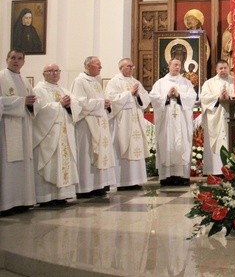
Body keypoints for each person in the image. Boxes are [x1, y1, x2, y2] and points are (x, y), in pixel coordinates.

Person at [32, 63, 80, 205]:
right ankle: (47, 197)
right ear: (44, 73)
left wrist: (70, 105)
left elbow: (77, 106)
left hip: (64, 133)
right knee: (50, 163)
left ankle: (61, 195)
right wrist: (58, 104)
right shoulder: (38, 90)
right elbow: (38, 112)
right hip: (49, 134)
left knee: (64, 162)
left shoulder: (63, 89)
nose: (54, 73)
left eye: (57, 71)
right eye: (50, 71)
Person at [71, 56, 116, 198]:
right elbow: (79, 102)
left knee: (100, 152)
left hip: (99, 123)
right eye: (98, 65)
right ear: (88, 65)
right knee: (87, 154)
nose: (100, 68)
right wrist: (100, 103)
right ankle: (85, 187)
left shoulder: (96, 82)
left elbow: (99, 101)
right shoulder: (80, 81)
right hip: (86, 125)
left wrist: (106, 104)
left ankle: (98, 185)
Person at [149, 58, 197, 186]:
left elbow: (192, 97)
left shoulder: (186, 83)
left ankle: (182, 176)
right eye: (175, 65)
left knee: (182, 144)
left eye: (179, 65)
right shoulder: (160, 83)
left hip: (181, 120)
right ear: (169, 65)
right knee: (167, 144)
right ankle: (166, 176)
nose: (177, 67)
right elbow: (153, 98)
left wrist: (180, 95)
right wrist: (167, 96)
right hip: (167, 121)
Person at [0, 49, 37, 216]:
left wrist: (30, 105)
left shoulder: (24, 80)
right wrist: (21, 102)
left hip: (23, 127)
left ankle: (22, 201)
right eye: (13, 58)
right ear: (6, 59)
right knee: (7, 165)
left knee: (23, 165)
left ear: (24, 62)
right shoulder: (1, 77)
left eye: (19, 58)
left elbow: (33, 102)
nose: (16, 61)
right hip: (7, 129)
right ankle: (7, 203)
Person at [106, 58, 151, 190]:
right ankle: (122, 182)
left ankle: (135, 180)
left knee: (136, 148)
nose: (131, 69)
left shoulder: (135, 82)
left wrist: (137, 96)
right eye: (128, 66)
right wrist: (129, 93)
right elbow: (112, 99)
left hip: (135, 119)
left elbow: (145, 98)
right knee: (122, 147)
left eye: (132, 66)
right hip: (122, 121)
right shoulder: (114, 82)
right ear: (121, 68)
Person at [199, 60, 235, 176]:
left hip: (231, 117)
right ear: (216, 69)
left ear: (229, 68)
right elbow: (204, 98)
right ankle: (215, 171)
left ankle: (232, 168)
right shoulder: (209, 83)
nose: (223, 70)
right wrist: (218, 98)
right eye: (221, 68)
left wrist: (229, 97)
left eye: (225, 68)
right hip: (215, 119)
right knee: (216, 141)